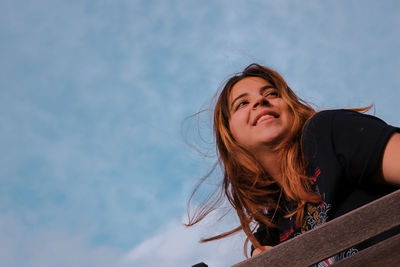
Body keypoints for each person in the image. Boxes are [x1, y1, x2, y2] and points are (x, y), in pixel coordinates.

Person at [186, 63, 400, 264]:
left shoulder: (327, 134)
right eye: (242, 103)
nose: (260, 101)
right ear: (230, 136)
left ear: (291, 107)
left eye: (271, 94)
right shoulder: (270, 234)